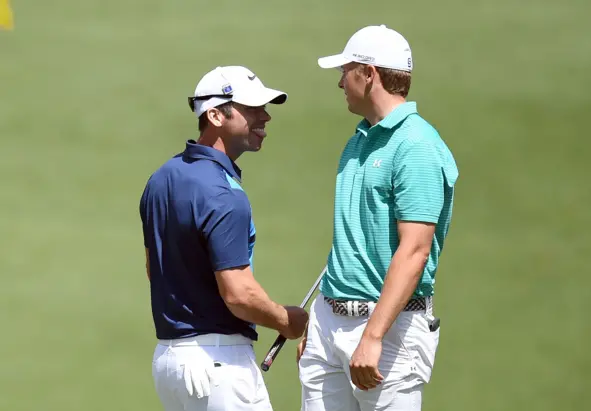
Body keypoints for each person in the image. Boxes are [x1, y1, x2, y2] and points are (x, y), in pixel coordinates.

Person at [297, 25, 459, 411]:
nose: (339, 83)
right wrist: (321, 316)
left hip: (388, 331)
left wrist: (372, 336)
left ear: (369, 74)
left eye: (345, 71)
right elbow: (352, 241)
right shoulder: (357, 141)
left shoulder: (417, 146)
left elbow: (415, 251)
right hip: (330, 322)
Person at [139, 65, 309, 411]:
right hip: (218, 364)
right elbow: (238, 294)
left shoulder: (160, 179)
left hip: (170, 364)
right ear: (215, 115)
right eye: (252, 109)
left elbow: (153, 269)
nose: (265, 117)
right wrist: (287, 320)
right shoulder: (224, 193)